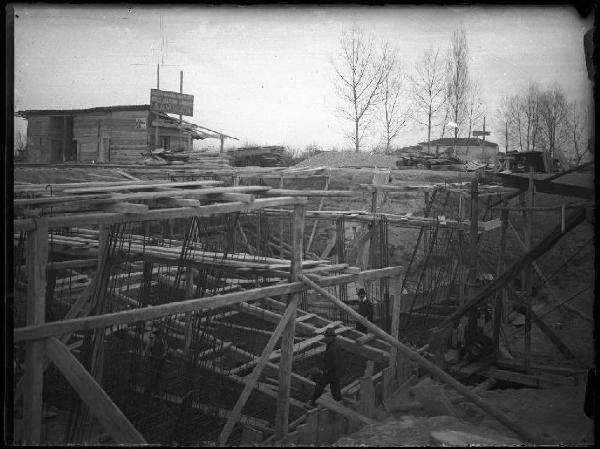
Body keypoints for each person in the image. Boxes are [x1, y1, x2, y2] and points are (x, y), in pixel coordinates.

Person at [310, 328, 344, 406]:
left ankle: (313, 402)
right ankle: (339, 403)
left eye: (327, 337)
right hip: (335, 372)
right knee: (335, 389)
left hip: (331, 372)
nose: (325, 338)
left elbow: (334, 362)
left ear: (331, 337)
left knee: (319, 386)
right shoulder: (334, 343)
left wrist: (325, 370)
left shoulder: (333, 348)